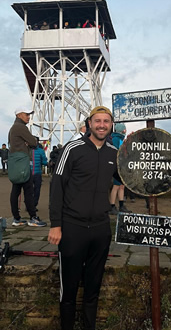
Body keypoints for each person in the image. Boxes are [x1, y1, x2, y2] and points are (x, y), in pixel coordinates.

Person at [48, 105, 120, 330]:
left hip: (100, 228)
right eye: (97, 121)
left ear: (111, 125)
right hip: (72, 227)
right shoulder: (73, 148)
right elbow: (57, 186)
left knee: (93, 288)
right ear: (89, 123)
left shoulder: (112, 153)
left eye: (106, 121)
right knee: (68, 290)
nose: (101, 125)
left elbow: (129, 176)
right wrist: (56, 225)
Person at [8, 107, 47, 227]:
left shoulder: (12, 128)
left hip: (15, 163)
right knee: (29, 190)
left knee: (16, 189)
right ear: (19, 115)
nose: (28, 116)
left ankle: (16, 218)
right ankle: (33, 218)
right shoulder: (21, 127)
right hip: (23, 163)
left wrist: (27, 143)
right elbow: (34, 142)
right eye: (26, 114)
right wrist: (29, 143)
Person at [109, 123, 131, 215]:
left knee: (121, 186)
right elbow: (116, 153)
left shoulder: (120, 139)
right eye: (124, 129)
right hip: (117, 167)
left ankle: (121, 205)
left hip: (122, 166)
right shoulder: (116, 139)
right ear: (122, 130)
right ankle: (112, 206)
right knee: (116, 186)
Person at [31, 138, 48, 210]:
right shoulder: (41, 151)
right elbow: (44, 162)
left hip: (33, 173)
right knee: (34, 190)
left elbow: (44, 162)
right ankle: (32, 205)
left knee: (33, 190)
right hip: (33, 173)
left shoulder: (28, 150)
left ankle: (31, 205)